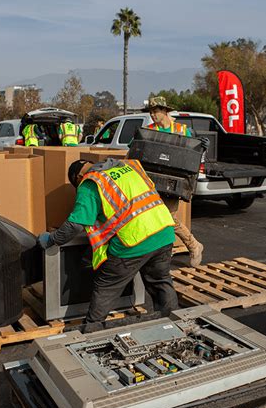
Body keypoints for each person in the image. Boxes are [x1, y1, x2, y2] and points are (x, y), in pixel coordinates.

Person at [37, 158, 178, 331]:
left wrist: (51, 240)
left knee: (106, 286)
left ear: (79, 176)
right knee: (160, 281)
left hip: (134, 241)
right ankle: (173, 324)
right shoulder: (128, 168)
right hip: (164, 231)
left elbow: (75, 224)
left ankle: (91, 330)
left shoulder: (90, 183)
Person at [144, 95, 208, 267]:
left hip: (173, 183)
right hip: (152, 181)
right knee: (156, 218)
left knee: (167, 217)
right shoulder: (148, 130)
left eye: (156, 111)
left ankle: (193, 245)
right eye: (150, 112)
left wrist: (201, 146)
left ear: (165, 111)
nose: (152, 115)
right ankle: (164, 250)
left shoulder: (181, 129)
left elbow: (192, 153)